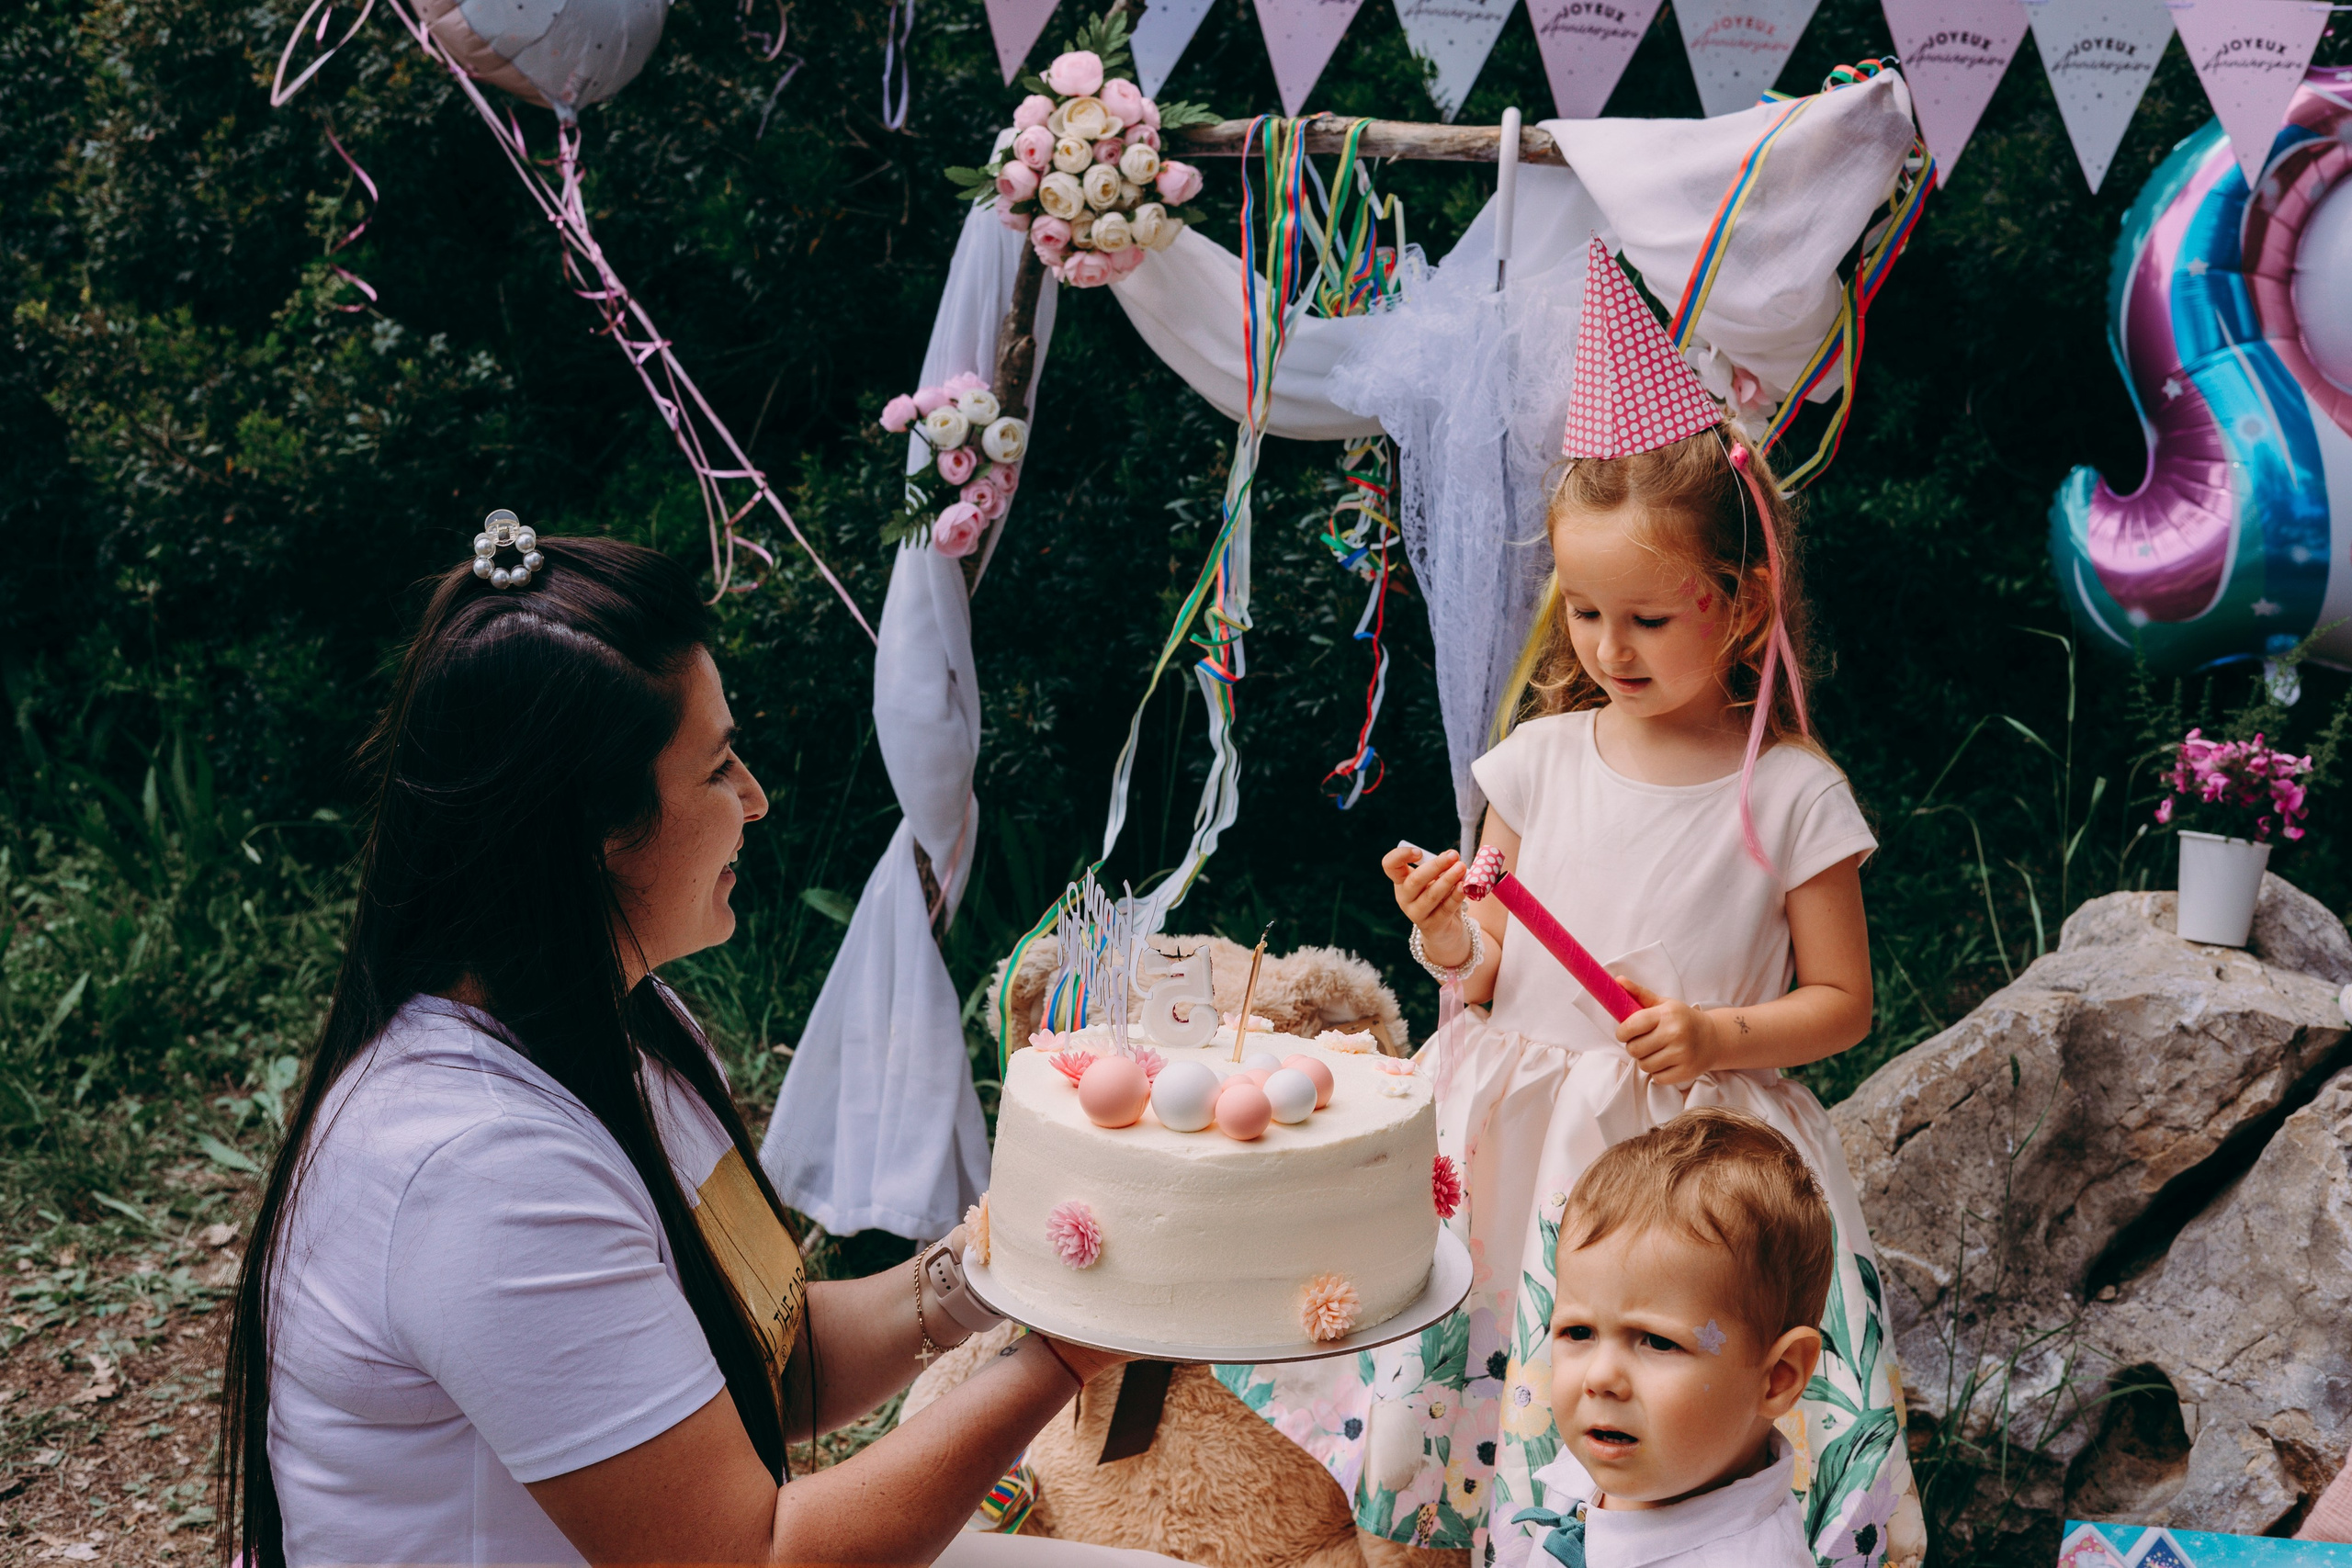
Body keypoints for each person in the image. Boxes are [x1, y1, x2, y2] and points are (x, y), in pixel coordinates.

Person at [213, 533, 1160, 1568]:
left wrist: (1002, 1262)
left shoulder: (628, 1031)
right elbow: (751, 1557)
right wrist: (1061, 1352)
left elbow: (771, 1357)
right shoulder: (481, 1171)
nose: (754, 799)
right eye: (716, 769)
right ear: (591, 832)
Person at [1229, 242, 1913, 1568]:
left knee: (1636, 1390)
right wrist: (1443, 931)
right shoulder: (1537, 758)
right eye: (1587, 610)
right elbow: (1482, 958)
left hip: (1683, 1155)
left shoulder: (1789, 788)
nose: (1608, 647)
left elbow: (1844, 1002)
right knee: (1478, 1374)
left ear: (1746, 598)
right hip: (1513, 1134)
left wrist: (1717, 1035)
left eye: (1651, 617)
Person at [1514, 1109, 1830, 1568]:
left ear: (1778, 1377)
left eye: (1658, 1342)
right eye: (1578, 1331)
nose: (1600, 1377)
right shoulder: (1626, 1455)